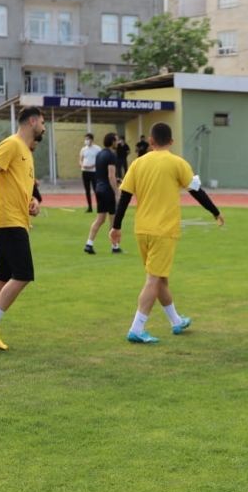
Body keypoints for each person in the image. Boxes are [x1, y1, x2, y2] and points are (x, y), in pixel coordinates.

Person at [110, 121, 224, 344]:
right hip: (164, 230)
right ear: (171, 142)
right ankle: (137, 327)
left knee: (161, 279)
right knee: (154, 279)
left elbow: (124, 197)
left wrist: (116, 226)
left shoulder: (137, 163)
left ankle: (176, 321)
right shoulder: (177, 163)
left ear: (150, 141)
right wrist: (215, 211)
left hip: (142, 230)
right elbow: (196, 191)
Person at [0, 107, 46, 351]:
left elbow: (17, 186)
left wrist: (31, 203)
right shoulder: (12, 144)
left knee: (1, 277)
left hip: (17, 218)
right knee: (23, 274)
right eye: (43, 122)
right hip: (7, 220)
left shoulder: (26, 151)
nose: (44, 128)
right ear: (32, 121)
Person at [84, 132, 122, 254]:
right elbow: (111, 175)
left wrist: (116, 180)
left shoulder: (99, 154)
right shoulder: (111, 155)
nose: (117, 142)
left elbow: (102, 173)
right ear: (112, 141)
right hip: (107, 190)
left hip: (99, 188)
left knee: (100, 219)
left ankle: (89, 244)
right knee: (113, 219)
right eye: (116, 140)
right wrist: (117, 191)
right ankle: (115, 246)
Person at [79, 132, 100, 213]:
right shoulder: (83, 149)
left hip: (94, 172)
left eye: (88, 139)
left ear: (92, 139)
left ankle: (99, 206)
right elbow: (80, 159)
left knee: (96, 189)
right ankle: (90, 207)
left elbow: (99, 159)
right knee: (87, 190)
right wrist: (82, 165)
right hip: (85, 172)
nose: (86, 141)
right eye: (85, 139)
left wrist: (92, 166)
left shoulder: (97, 148)